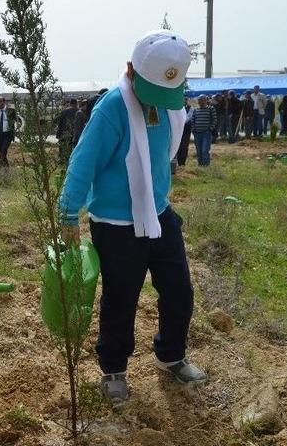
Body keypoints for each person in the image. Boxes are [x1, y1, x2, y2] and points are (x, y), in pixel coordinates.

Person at [60, 30, 208, 406]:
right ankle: (113, 370)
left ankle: (171, 354)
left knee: (178, 289)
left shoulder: (168, 103)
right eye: (153, 91)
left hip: (158, 213)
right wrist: (67, 214)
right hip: (115, 225)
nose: (157, 103)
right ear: (131, 70)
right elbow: (83, 161)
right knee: (120, 299)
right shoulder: (111, 108)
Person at [0, 96, 17, 167]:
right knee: (1, 152)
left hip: (8, 135)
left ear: (4, 102)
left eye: (0, 101)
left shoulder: (10, 111)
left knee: (3, 150)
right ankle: (7, 168)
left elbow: (16, 120)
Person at [192, 95, 216, 166]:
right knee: (198, 151)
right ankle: (200, 165)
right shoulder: (196, 110)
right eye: (198, 100)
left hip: (206, 133)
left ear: (205, 100)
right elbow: (193, 120)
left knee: (204, 150)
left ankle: (205, 165)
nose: (199, 101)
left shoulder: (211, 108)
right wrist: (193, 130)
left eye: (201, 100)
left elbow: (214, 120)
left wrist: (210, 129)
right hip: (197, 133)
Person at [56, 98, 79, 163]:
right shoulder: (79, 111)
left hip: (64, 132)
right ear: (76, 103)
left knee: (62, 147)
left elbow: (59, 122)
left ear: (70, 103)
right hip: (74, 132)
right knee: (73, 147)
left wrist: (59, 133)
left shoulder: (64, 111)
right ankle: (72, 160)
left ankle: (61, 159)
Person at [175, 96, 193, 167]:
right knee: (178, 146)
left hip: (186, 130)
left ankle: (182, 163)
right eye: (183, 99)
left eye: (186, 99)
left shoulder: (191, 108)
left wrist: (182, 121)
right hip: (179, 129)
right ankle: (179, 162)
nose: (185, 101)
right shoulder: (177, 108)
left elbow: (189, 118)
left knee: (184, 146)